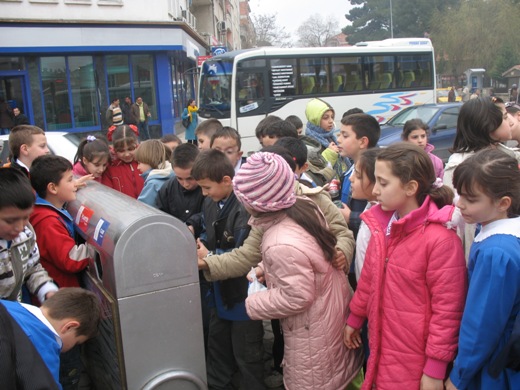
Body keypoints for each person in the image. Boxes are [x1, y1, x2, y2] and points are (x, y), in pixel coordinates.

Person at [344, 143, 467, 390]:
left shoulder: (440, 241)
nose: (375, 190)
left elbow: (447, 312)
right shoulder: (383, 228)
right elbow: (368, 279)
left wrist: (434, 369)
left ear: (411, 188)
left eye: (383, 183)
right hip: (383, 345)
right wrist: (356, 318)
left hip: (415, 358)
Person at [234, 152, 363, 389]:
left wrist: (254, 301)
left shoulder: (279, 241)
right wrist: (268, 267)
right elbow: (307, 256)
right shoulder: (303, 206)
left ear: (254, 202)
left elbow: (297, 297)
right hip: (331, 317)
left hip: (313, 336)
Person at [446, 149, 520, 390]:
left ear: (503, 203)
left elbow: (481, 324)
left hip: (494, 367)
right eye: (459, 194)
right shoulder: (501, 232)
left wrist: (460, 374)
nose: (460, 203)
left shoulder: (495, 252)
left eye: (471, 198)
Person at [192, 149, 265, 390]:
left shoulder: (246, 208)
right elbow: (209, 234)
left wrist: (209, 257)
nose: (203, 193)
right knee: (217, 350)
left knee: (247, 356)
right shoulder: (209, 202)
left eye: (207, 187)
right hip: (218, 294)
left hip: (243, 297)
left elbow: (246, 254)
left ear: (226, 180)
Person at [444, 97, 515, 257]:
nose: (510, 122)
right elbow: (454, 216)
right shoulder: (459, 166)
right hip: (477, 247)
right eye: (504, 118)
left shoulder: (508, 156)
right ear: (489, 127)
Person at [0, 287, 101, 389]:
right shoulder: (43, 351)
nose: (72, 347)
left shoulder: (7, 306)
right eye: (76, 342)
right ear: (69, 327)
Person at [0, 168, 58, 302]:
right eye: (10, 220)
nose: (20, 227)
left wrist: (47, 290)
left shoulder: (26, 233)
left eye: (26, 217)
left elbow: (32, 268)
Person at [304, 98, 345, 176]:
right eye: (326, 117)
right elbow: (315, 170)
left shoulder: (331, 137)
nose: (331, 121)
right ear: (315, 119)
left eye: (332, 117)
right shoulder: (308, 142)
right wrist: (330, 153)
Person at [101, 124, 144, 198]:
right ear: (114, 150)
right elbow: (107, 194)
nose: (127, 154)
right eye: (121, 151)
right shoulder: (110, 168)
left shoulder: (145, 163)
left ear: (137, 145)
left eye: (130, 149)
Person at [134, 139, 174, 207]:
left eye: (139, 163)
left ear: (150, 160)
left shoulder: (153, 184)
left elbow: (143, 208)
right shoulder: (173, 175)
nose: (138, 167)